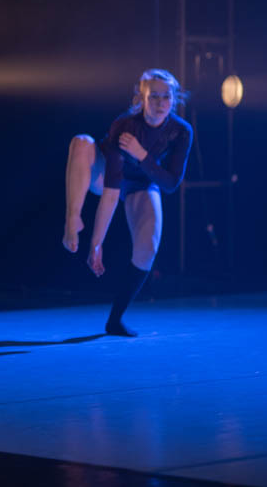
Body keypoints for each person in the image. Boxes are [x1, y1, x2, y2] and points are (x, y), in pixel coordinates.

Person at [62, 69, 193, 337]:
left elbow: (170, 184)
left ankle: (115, 320)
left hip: (143, 182)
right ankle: (72, 219)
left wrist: (142, 155)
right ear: (141, 98)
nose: (160, 103)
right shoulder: (125, 125)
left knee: (148, 247)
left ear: (174, 99)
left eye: (166, 97)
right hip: (104, 176)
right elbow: (111, 190)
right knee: (82, 142)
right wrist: (96, 242)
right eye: (153, 96)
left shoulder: (181, 131)